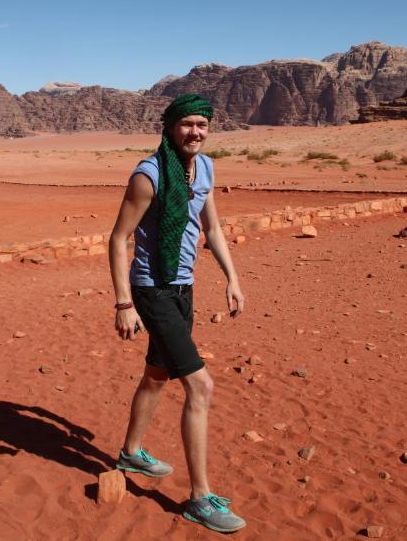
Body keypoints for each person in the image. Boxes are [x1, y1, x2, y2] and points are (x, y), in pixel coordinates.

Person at [107, 93, 246, 533]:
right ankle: (200, 499)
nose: (196, 132)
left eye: (202, 124)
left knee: (157, 374)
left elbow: (211, 226)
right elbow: (117, 239)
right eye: (187, 124)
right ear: (169, 127)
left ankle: (130, 452)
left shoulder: (205, 168)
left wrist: (232, 277)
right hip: (152, 288)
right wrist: (124, 302)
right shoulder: (148, 176)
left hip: (184, 286)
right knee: (200, 386)